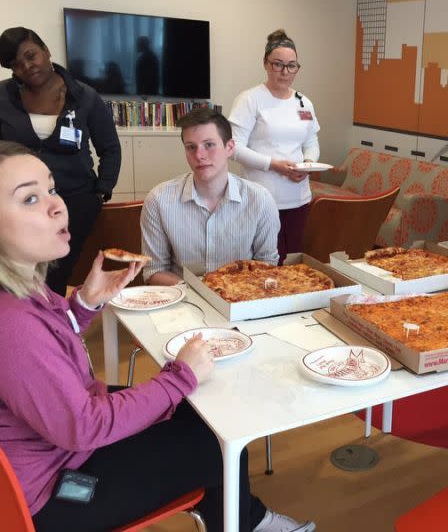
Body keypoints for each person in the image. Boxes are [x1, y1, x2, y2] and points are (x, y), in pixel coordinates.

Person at [0, 141, 315, 532]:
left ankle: (242, 519)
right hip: (52, 493)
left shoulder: (22, 289)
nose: (56, 205)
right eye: (29, 198)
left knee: (208, 417)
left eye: (51, 188)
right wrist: (178, 375)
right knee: (220, 445)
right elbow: (83, 427)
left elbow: (49, 352)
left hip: (63, 447)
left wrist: (83, 304)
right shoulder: (11, 322)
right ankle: (245, 521)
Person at [0, 26, 121, 295]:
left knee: (56, 274)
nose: (27, 66)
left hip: (76, 202)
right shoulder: (3, 98)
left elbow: (110, 147)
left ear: (46, 51)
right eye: (16, 64)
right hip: (21, 204)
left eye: (31, 56)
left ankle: (54, 329)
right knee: (22, 276)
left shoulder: (84, 96)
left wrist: (102, 189)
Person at [141, 108, 280, 285]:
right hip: (183, 300)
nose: (199, 155)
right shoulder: (158, 200)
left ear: (229, 147)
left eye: (209, 145)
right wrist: (202, 293)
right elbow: (154, 271)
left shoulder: (260, 200)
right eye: (191, 147)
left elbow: (267, 266)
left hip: (242, 300)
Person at [228, 29, 320, 263]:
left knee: (294, 265)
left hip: (298, 198)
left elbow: (311, 141)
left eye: (291, 65)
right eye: (278, 64)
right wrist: (274, 165)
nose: (285, 71)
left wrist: (308, 163)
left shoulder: (303, 102)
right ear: (266, 64)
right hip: (261, 198)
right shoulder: (250, 100)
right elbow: (234, 148)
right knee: (263, 266)